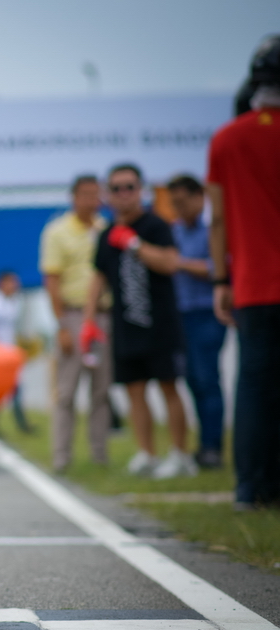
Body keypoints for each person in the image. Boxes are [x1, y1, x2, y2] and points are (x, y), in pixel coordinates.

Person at [83, 163, 194, 479]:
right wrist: (89, 322)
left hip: (160, 324)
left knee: (169, 387)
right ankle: (147, 454)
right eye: (116, 189)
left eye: (129, 187)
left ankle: (181, 454)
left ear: (140, 190)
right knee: (134, 391)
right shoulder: (106, 234)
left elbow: (171, 263)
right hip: (126, 326)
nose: (124, 194)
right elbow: (98, 279)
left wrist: (134, 244)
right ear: (108, 195)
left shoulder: (156, 225)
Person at [208, 34, 280, 510]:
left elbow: (217, 219)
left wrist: (220, 280)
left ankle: (249, 490)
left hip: (253, 283)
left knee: (253, 385)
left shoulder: (227, 138)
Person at [39, 174, 111, 472]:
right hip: (73, 314)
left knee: (102, 389)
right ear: (74, 197)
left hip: (104, 316)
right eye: (86, 194)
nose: (92, 200)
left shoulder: (105, 230)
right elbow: (52, 281)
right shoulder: (58, 232)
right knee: (66, 391)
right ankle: (61, 456)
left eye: (97, 194)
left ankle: (99, 455)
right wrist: (61, 325)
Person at [167, 174, 226, 468]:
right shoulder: (174, 231)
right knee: (192, 380)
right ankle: (203, 444)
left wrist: (181, 263)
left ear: (198, 197)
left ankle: (213, 446)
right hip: (181, 314)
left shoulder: (211, 230)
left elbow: (220, 267)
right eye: (173, 203)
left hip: (207, 312)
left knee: (207, 378)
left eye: (181, 201)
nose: (178, 208)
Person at [0, 269, 31, 436]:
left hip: (10, 353)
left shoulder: (13, 303)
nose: (15, 285)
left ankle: (22, 424)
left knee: (16, 388)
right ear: (2, 283)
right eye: (12, 282)